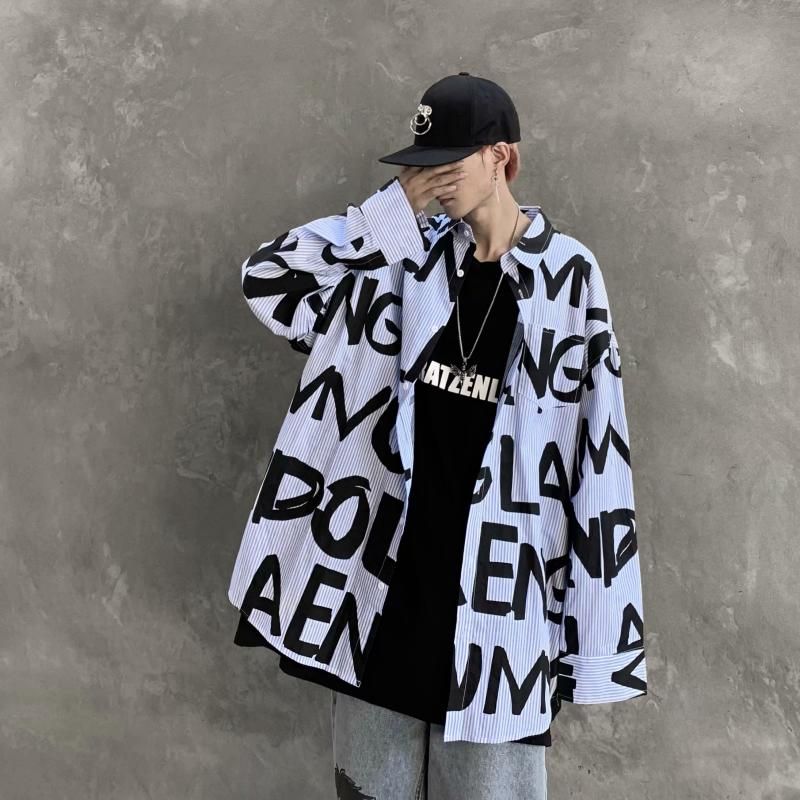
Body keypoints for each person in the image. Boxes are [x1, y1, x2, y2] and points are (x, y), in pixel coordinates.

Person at [229, 72, 647, 800]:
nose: (432, 180)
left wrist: (592, 640)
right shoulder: (400, 258)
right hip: (380, 604)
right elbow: (268, 282)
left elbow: (599, 457)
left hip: (501, 624)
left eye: (449, 163)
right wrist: (387, 214)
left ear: (502, 159)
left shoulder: (568, 279)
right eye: (421, 165)